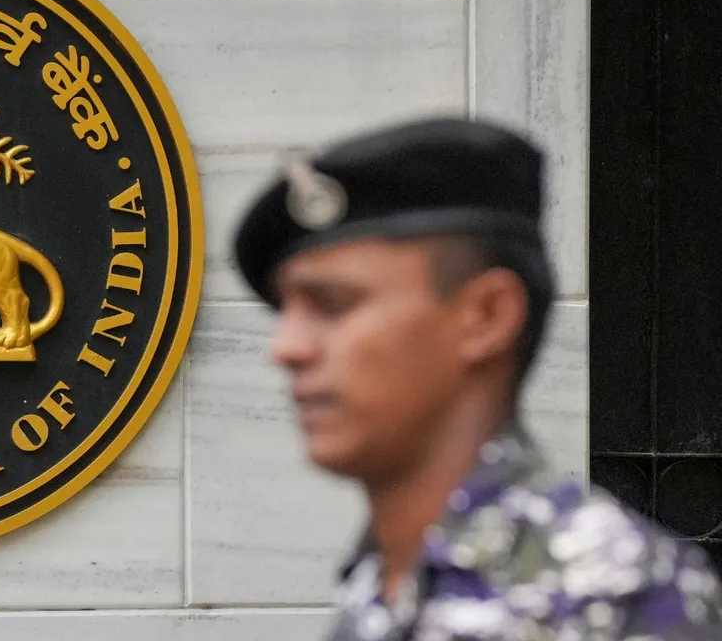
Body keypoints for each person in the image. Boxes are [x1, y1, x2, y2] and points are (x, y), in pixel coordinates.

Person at [231, 118, 722, 640]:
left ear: (486, 316)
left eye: (332, 304)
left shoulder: (615, 593)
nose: (286, 348)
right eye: (288, 309)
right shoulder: (378, 578)